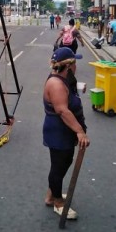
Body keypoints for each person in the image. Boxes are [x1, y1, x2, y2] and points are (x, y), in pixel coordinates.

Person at [43, 47, 89, 220]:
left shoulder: (63, 79)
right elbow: (62, 110)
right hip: (59, 131)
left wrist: (78, 86)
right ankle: (57, 203)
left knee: (63, 163)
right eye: (74, 63)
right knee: (59, 166)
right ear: (69, 66)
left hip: (63, 131)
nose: (76, 67)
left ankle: (51, 195)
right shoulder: (56, 84)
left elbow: (66, 90)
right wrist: (80, 132)